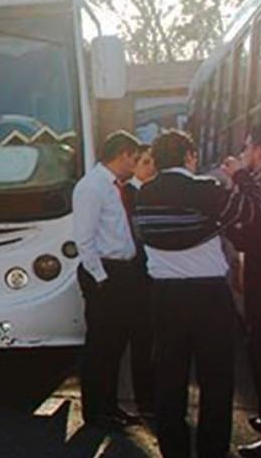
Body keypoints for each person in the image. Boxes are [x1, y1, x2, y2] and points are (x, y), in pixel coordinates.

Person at [134, 129, 261, 458]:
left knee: (169, 382)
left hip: (164, 297)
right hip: (208, 297)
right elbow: (255, 212)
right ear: (190, 157)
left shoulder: (142, 195)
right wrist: (241, 175)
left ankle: (174, 451)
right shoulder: (206, 190)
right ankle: (211, 451)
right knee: (216, 382)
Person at [73, 130, 142, 429]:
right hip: (103, 272)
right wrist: (100, 277)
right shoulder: (92, 187)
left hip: (123, 272)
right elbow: (84, 238)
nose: (136, 165)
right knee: (100, 345)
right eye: (134, 159)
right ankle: (95, 411)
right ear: (122, 154)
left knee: (116, 344)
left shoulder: (117, 187)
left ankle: (110, 405)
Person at [229, 122, 261, 458]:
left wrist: (227, 225)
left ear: (259, 150)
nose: (243, 154)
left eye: (246, 148)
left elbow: (250, 234)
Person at [124, 144, 157, 419]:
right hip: (137, 277)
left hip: (152, 276)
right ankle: (145, 398)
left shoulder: (151, 192)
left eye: (153, 162)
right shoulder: (130, 194)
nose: (150, 167)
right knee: (142, 339)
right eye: (144, 162)